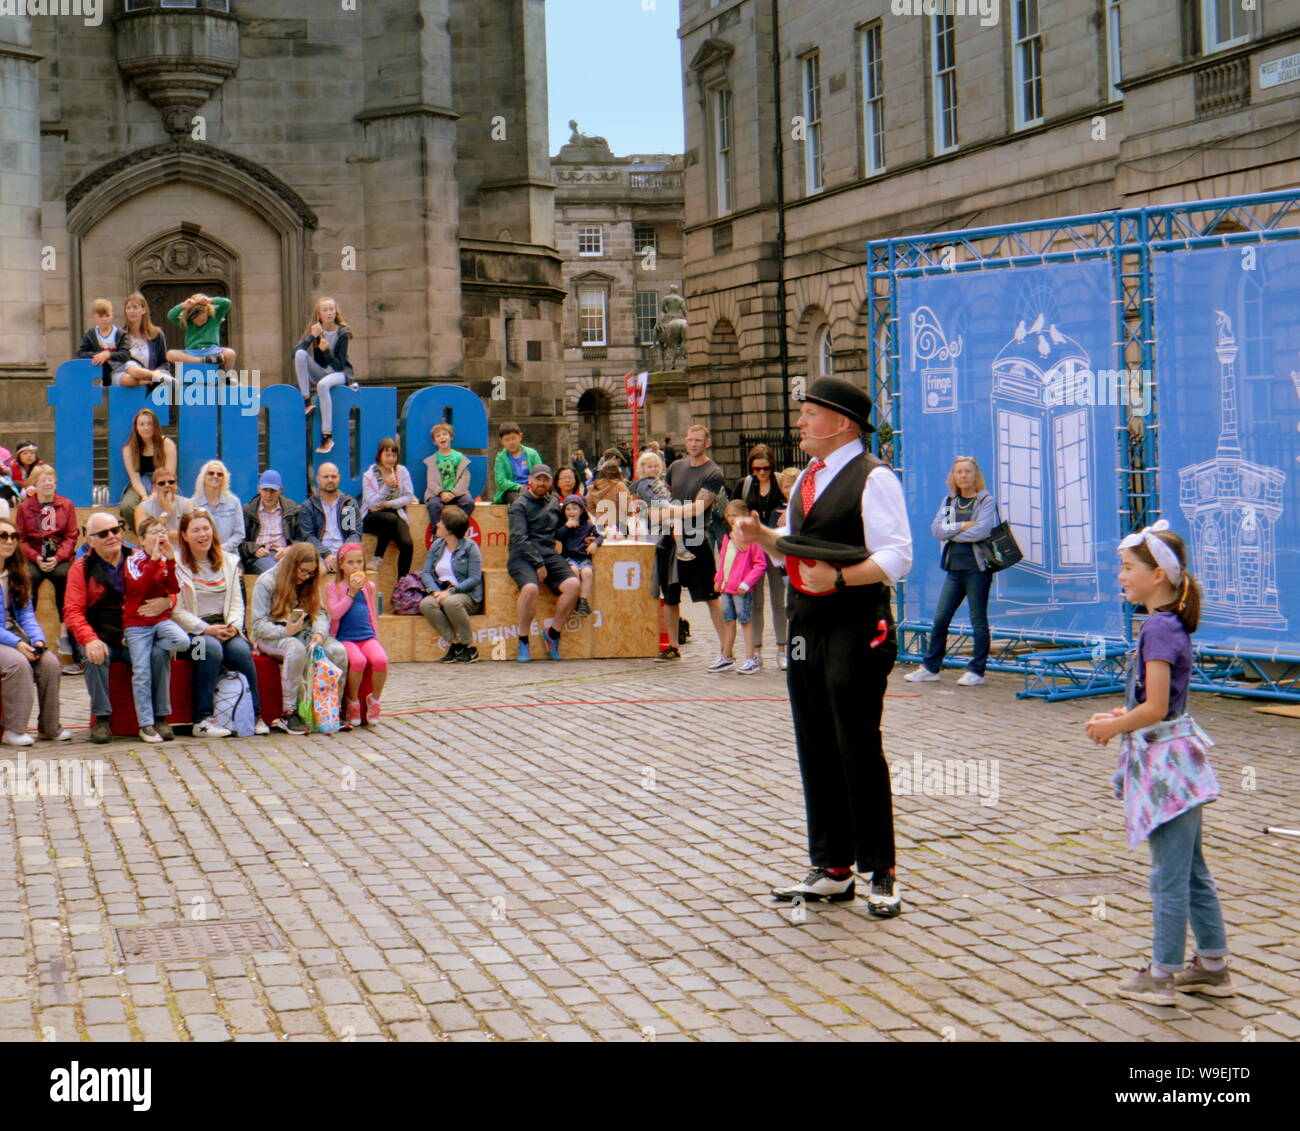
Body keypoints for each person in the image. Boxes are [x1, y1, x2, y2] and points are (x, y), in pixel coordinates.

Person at [738, 376, 912, 916]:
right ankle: (833, 866)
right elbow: (795, 544)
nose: (801, 423)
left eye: (810, 413)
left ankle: (881, 870)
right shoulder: (811, 476)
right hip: (807, 622)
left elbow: (898, 557)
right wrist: (759, 535)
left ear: (842, 423)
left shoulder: (873, 477)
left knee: (856, 742)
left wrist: (839, 581)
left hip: (856, 623)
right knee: (815, 740)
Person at [1085, 522, 1231, 1005]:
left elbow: (1155, 708)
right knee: (1190, 869)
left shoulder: (1158, 628)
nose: (1121, 577)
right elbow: (1155, 705)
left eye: (1128, 569)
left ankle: (1163, 974)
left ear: (1159, 577)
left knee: (1167, 875)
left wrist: (1114, 726)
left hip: (1166, 768)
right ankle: (1212, 965)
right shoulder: (1165, 625)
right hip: (1176, 758)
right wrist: (1123, 714)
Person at [66, 512, 178, 744]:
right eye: (103, 533)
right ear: (90, 539)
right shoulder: (81, 568)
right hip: (102, 634)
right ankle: (102, 717)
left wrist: (168, 602)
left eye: (115, 530)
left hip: (137, 633)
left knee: (159, 653)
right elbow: (73, 612)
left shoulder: (139, 557)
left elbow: (171, 587)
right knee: (93, 656)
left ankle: (160, 717)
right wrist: (89, 639)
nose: (112, 536)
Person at [174, 510, 270, 738]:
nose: (202, 534)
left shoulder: (229, 562)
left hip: (225, 627)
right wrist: (205, 629)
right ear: (185, 536)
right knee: (209, 648)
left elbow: (237, 602)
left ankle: (255, 715)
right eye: (195, 530)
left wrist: (234, 627)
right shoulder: (176, 565)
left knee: (240, 650)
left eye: (206, 529)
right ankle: (202, 719)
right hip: (190, 636)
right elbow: (176, 611)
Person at [904, 456, 998, 687]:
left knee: (978, 620)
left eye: (968, 471)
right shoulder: (949, 500)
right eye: (959, 472)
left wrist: (951, 532)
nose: (964, 476)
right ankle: (931, 667)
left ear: (976, 475)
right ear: (953, 476)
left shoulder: (985, 499)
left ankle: (976, 671)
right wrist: (961, 526)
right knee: (940, 619)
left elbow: (981, 532)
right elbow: (936, 530)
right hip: (954, 570)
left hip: (977, 569)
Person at [250, 542, 349, 735]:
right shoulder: (267, 581)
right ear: (291, 565)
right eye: (303, 571)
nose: (306, 577)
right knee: (295, 648)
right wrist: (285, 632)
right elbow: (258, 626)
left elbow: (319, 613)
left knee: (338, 651)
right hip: (273, 635)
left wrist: (319, 633)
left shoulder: (309, 582)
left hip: (304, 632)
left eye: (311, 573)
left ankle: (333, 709)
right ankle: (289, 712)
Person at [646, 424, 726, 663]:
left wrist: (668, 512)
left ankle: (726, 647)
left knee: (710, 596)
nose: (693, 444)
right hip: (669, 539)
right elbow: (660, 501)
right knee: (669, 595)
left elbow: (699, 507)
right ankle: (672, 646)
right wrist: (662, 512)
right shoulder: (675, 467)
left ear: (707, 443)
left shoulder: (713, 472)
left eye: (698, 440)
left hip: (697, 538)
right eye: (690, 440)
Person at [0, 518, 71, 746]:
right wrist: (18, 644)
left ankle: (49, 728)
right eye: (3, 536)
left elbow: (26, 614)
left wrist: (38, 640)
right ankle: (14, 730)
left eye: (13, 537)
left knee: (49, 663)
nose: (9, 541)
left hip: (11, 635)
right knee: (18, 664)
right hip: (6, 639)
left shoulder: (16, 573)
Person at [123, 516, 191, 743]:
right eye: (154, 532)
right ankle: (146, 723)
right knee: (141, 671)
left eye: (163, 531)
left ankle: (161, 715)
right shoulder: (134, 560)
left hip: (160, 622)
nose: (160, 536)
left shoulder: (165, 560)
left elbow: (174, 587)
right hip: (137, 623)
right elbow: (138, 588)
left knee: (183, 641)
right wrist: (153, 560)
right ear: (142, 539)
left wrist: (170, 562)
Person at [508, 466, 579, 662]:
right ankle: (523, 640)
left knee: (573, 585)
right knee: (530, 588)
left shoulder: (554, 502)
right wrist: (538, 563)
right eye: (538, 479)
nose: (541, 483)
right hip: (522, 555)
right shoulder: (519, 505)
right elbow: (519, 539)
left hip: (548, 552)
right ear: (530, 480)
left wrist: (586, 538)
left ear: (550, 482)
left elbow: (560, 531)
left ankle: (552, 634)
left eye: (545, 480)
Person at [16, 465, 80, 673]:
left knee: (66, 576)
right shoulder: (25, 508)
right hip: (34, 557)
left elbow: (71, 536)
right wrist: (35, 557)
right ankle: (28, 641)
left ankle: (69, 641)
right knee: (28, 579)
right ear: (35, 483)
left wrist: (58, 557)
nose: (47, 483)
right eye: (43, 480)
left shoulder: (66, 505)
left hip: (59, 557)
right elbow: (21, 539)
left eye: (51, 479)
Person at [733, 444, 789, 669]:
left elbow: (797, 500)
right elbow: (733, 510)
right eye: (757, 469)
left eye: (766, 468)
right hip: (753, 550)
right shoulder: (744, 485)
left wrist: (788, 510)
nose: (762, 473)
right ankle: (755, 651)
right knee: (754, 602)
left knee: (779, 601)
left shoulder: (780, 481)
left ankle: (782, 650)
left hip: (776, 547)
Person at [326, 543, 388, 728]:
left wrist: (375, 634)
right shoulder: (333, 587)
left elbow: (371, 613)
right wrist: (350, 593)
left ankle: (375, 700)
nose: (355, 566)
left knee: (381, 660)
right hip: (346, 638)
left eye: (359, 562)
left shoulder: (369, 586)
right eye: (350, 562)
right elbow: (335, 614)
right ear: (341, 565)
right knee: (358, 661)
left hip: (367, 636)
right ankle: (352, 701)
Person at [419, 505, 483, 663]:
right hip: (441, 592)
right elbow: (426, 572)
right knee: (426, 604)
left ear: (451, 528)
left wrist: (451, 592)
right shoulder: (437, 546)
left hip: (467, 595)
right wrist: (434, 592)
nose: (437, 524)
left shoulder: (470, 548)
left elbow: (475, 578)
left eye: (441, 522)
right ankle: (455, 644)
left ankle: (470, 645)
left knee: (451, 602)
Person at [711, 499, 768, 675]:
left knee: (745, 622)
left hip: (741, 589)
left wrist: (746, 583)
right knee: (728, 621)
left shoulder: (751, 540)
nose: (730, 519)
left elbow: (760, 564)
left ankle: (751, 659)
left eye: (734, 515)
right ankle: (726, 656)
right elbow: (723, 562)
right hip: (727, 588)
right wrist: (718, 578)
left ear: (745, 516)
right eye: (728, 515)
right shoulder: (727, 538)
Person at [293, 297, 355, 455]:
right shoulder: (317, 330)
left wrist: (327, 350)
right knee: (301, 353)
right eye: (325, 310)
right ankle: (306, 399)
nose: (329, 313)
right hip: (322, 372)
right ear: (319, 314)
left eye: (331, 309)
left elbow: (339, 366)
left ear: (336, 312)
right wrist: (311, 337)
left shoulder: (343, 332)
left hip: (340, 375)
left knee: (322, 385)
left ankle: (327, 436)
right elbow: (294, 354)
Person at [361, 437, 417, 576]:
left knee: (407, 545)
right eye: (387, 455)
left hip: (395, 514)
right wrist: (386, 486)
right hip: (372, 516)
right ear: (379, 455)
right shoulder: (369, 475)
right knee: (389, 519)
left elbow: (409, 496)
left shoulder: (402, 471)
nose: (391, 459)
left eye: (394, 455)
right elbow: (372, 504)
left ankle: (402, 586)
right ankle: (377, 557)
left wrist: (389, 504)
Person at [120, 408, 178, 528]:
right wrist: (145, 496)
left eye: (149, 424)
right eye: (142, 424)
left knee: (171, 505)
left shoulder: (167, 444)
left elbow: (170, 473)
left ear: (155, 426)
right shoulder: (128, 448)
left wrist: (155, 493)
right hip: (140, 484)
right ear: (136, 427)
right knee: (127, 507)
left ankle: (165, 536)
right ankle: (146, 537)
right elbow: (134, 478)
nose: (146, 428)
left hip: (164, 482)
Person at [298, 462, 360, 574]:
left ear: (339, 478)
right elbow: (308, 536)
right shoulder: (309, 506)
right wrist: (326, 554)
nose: (330, 480)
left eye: (334, 476)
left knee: (355, 569)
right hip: (319, 554)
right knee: (317, 571)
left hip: (345, 553)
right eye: (326, 477)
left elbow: (353, 533)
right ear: (318, 479)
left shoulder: (347, 504)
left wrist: (343, 553)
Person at [632, 451, 692, 561]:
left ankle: (675, 546)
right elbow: (650, 498)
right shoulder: (643, 483)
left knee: (677, 522)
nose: (653, 469)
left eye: (655, 466)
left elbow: (666, 493)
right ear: (643, 468)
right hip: (655, 510)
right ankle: (680, 548)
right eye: (650, 466)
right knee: (679, 516)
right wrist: (667, 505)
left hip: (663, 508)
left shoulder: (658, 481)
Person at [241, 470, 301, 575]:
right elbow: (240, 542)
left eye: (272, 490)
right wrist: (254, 549)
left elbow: (301, 538)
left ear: (280, 490)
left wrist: (289, 550)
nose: (268, 495)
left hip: (285, 555)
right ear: (258, 489)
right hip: (260, 557)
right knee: (276, 572)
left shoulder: (291, 509)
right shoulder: (248, 510)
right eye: (265, 490)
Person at [422, 422, 475, 531]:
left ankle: (457, 529)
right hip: (439, 494)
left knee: (468, 503)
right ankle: (437, 533)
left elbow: (465, 478)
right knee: (433, 505)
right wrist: (441, 493)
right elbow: (431, 481)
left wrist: (454, 493)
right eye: (438, 436)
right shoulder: (432, 460)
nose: (442, 437)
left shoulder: (459, 457)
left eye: (444, 434)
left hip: (457, 494)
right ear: (434, 441)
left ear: (451, 437)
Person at [166, 293, 236, 372]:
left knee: (230, 353)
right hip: (192, 352)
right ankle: (203, 360)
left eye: (201, 313)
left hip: (212, 351)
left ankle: (228, 375)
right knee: (170, 354)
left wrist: (210, 300)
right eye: (195, 314)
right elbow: (171, 315)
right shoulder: (187, 323)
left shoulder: (215, 317)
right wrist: (183, 305)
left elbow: (227, 303)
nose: (199, 318)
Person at [556, 493, 601, 617]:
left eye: (575, 508)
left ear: (581, 510)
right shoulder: (563, 525)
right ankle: (573, 601)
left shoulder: (588, 525)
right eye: (568, 509)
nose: (571, 512)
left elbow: (600, 536)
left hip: (584, 558)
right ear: (564, 511)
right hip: (569, 558)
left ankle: (583, 601)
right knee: (574, 571)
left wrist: (595, 543)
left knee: (587, 572)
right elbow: (558, 536)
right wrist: (566, 527)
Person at [120, 292, 174, 393]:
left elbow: (164, 363)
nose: (132, 311)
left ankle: (155, 377)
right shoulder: (120, 336)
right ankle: (154, 378)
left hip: (152, 390)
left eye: (135, 307)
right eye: (128, 308)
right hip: (127, 388)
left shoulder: (156, 334)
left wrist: (158, 371)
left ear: (143, 310)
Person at [190, 460, 245, 556]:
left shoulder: (234, 502)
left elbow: (239, 534)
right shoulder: (192, 503)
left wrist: (222, 549)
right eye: (211, 473)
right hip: (201, 556)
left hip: (229, 556)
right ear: (203, 477)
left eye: (220, 474)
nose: (215, 476)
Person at [76, 298, 130, 386]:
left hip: (120, 370)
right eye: (100, 316)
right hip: (102, 371)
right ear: (94, 317)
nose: (104, 319)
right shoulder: (91, 334)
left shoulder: (120, 334)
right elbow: (80, 353)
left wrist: (108, 355)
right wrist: (98, 356)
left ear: (112, 315)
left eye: (107, 315)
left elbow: (126, 354)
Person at [135, 467, 194, 544]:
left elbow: (191, 535)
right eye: (161, 483)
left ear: (176, 484)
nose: (167, 485)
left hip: (182, 551)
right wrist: (166, 513)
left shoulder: (188, 504)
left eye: (171, 482)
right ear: (154, 487)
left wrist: (156, 532)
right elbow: (142, 535)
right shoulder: (142, 508)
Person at [492, 421, 542, 505]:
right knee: (519, 501)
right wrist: (519, 487)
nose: (511, 442)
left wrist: (533, 486)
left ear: (520, 436)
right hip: (511, 491)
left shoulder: (532, 454)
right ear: (501, 441)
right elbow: (501, 481)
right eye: (507, 440)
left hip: (533, 488)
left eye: (513, 438)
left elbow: (540, 473)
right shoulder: (500, 458)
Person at [586, 463, 631, 537]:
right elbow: (626, 505)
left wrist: (598, 513)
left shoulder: (594, 486)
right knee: (621, 546)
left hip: (600, 523)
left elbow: (589, 505)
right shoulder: (619, 485)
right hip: (618, 522)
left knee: (602, 545)